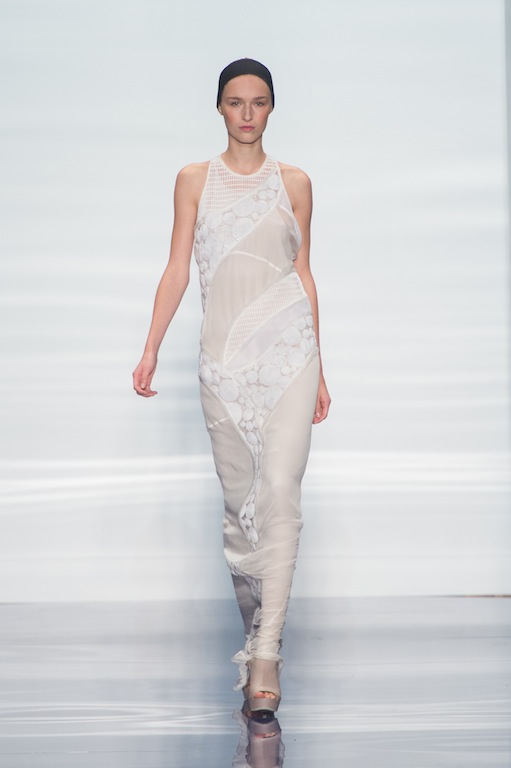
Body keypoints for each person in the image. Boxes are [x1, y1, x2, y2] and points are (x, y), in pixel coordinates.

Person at [133, 58, 330, 716]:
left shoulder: (295, 183)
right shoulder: (194, 180)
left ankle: (267, 653)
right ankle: (255, 632)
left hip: (290, 355)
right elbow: (177, 268)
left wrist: (321, 365)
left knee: (280, 493)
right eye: (236, 101)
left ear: (272, 107)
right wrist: (150, 347)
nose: (247, 113)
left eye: (259, 101)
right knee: (240, 512)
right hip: (223, 362)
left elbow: (303, 273)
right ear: (218, 107)